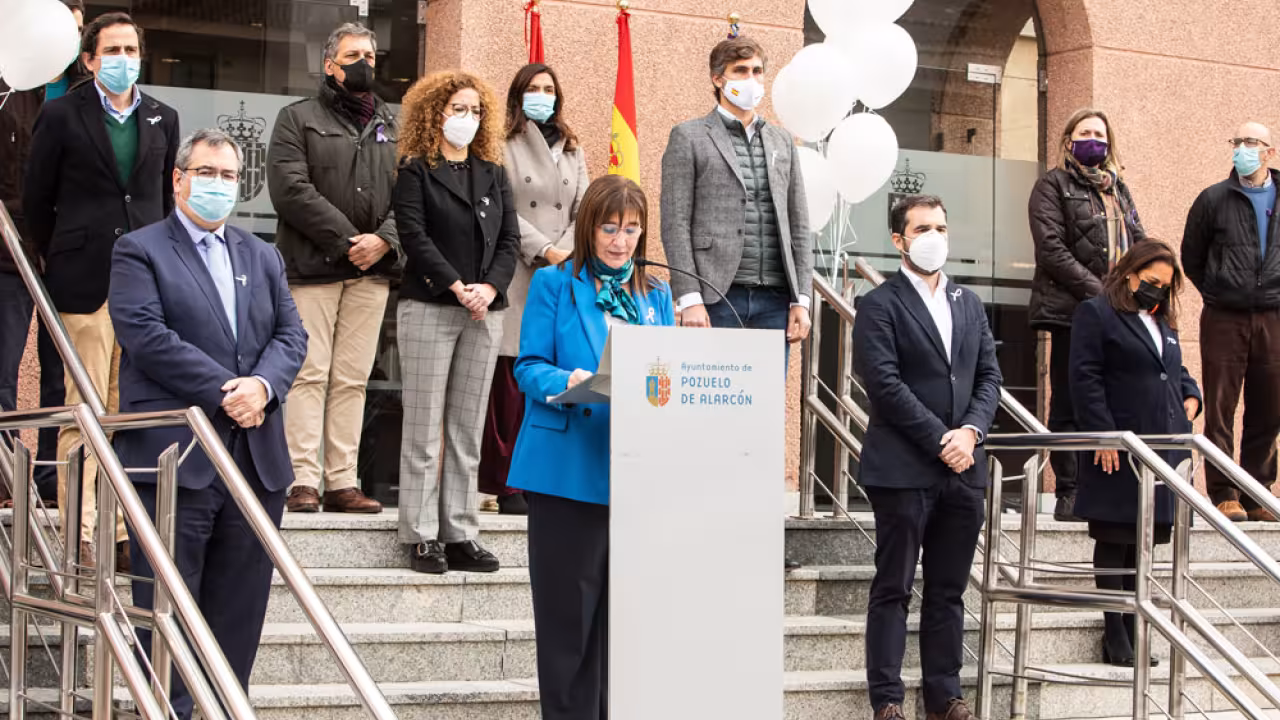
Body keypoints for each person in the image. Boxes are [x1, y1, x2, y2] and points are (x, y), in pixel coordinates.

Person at [109, 128, 308, 720]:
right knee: (167, 612)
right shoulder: (139, 250)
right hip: (176, 459)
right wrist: (229, 392)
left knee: (240, 614)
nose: (219, 185)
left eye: (229, 176)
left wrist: (263, 388)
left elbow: (291, 336)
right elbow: (146, 336)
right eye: (207, 173)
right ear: (178, 179)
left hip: (255, 463)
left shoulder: (262, 253)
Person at [509, 174, 675, 720]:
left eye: (631, 229)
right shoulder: (555, 283)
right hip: (566, 469)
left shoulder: (656, 294)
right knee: (568, 622)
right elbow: (528, 366)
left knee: (621, 624)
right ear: (589, 227)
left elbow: (667, 376)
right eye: (609, 227)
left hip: (635, 475)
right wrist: (567, 381)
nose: (620, 240)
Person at [24, 11, 180, 569]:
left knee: (125, 410)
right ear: (89, 60)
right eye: (111, 50)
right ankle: (80, 531)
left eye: (131, 50)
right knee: (80, 409)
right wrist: (54, 254)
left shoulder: (164, 118)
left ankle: (120, 532)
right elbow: (36, 199)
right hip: (82, 281)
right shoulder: (62, 114)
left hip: (143, 285)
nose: (123, 60)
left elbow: (164, 203)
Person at [659, 34, 812, 569]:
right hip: (717, 300)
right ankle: (706, 532)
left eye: (758, 70)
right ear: (719, 77)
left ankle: (756, 538)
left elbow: (799, 225)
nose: (752, 80)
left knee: (760, 425)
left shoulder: (782, 142)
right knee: (713, 420)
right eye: (742, 70)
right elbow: (674, 220)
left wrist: (803, 298)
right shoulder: (688, 137)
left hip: (774, 301)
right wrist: (688, 297)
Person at [852, 195, 1002, 720]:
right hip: (903, 468)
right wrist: (943, 439)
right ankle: (887, 699)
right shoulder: (879, 304)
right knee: (893, 586)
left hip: (964, 472)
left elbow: (989, 377)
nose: (933, 235)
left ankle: (945, 695)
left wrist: (971, 432)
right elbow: (885, 385)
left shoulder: (968, 302)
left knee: (949, 590)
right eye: (922, 228)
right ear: (899, 240)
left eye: (940, 225)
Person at [268, 22, 401, 515]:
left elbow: (409, 196)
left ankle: (342, 480)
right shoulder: (296, 118)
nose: (363, 62)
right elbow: (290, 189)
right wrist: (350, 242)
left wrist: (384, 242)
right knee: (309, 373)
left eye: (369, 53)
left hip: (373, 273)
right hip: (313, 268)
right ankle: (302, 478)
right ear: (330, 65)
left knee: (352, 378)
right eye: (352, 55)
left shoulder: (394, 122)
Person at [392, 70, 519, 573]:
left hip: (484, 310)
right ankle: (421, 535)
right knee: (424, 428)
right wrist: (456, 285)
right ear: (434, 114)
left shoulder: (492, 170)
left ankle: (461, 531)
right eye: (457, 110)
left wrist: (489, 287)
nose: (467, 120)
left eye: (474, 111)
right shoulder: (414, 170)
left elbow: (509, 239)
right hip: (430, 305)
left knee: (466, 429)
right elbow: (414, 236)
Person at [1069, 240, 1201, 666]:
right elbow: (1085, 377)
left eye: (1165, 286)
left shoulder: (1163, 321)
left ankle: (1134, 626)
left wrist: (1191, 396)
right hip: (1119, 445)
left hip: (1162, 448)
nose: (1157, 292)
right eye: (1151, 282)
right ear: (1129, 274)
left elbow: (1174, 370)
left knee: (1143, 543)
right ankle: (1116, 633)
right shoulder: (1097, 313)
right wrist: (1103, 435)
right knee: (1115, 536)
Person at [478, 62, 589, 516]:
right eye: (533, 88)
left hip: (562, 271)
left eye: (549, 89)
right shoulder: (501, 145)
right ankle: (505, 484)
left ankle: (544, 478)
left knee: (552, 372)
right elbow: (503, 208)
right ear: (518, 95)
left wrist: (565, 250)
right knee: (509, 382)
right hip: (518, 269)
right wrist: (544, 248)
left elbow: (585, 205)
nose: (542, 95)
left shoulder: (573, 147)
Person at [1028, 108, 1146, 522]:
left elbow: (1139, 243)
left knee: (1110, 399)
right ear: (1068, 140)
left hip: (1119, 313)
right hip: (1072, 312)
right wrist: (1101, 292)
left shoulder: (1119, 190)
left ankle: (1106, 490)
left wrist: (1141, 287)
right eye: (1085, 132)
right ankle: (1070, 490)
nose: (1093, 139)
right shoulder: (1052, 185)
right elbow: (1051, 249)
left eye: (1100, 133)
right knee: (1069, 401)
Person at [0, 0, 84, 507]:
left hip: (68, 255)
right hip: (11, 255)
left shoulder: (84, 97)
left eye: (76, 32)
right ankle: (7, 476)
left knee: (61, 376)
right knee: (4, 370)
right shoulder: (11, 91)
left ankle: (54, 482)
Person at [1182, 121, 1280, 523]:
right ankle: (1225, 492)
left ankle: (1258, 492)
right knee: (1221, 406)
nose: (1242, 148)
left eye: (1251, 142)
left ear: (1270, 152)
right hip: (1224, 315)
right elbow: (1192, 257)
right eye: (1237, 141)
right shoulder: (1213, 199)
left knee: (1270, 406)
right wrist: (1217, 291)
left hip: (1274, 314)